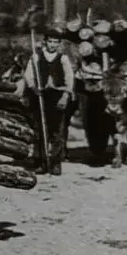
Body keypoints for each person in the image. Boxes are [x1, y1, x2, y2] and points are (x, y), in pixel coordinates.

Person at [15, 24, 75, 175]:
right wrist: (33, 87)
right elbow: (29, 75)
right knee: (40, 130)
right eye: (50, 41)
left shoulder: (63, 59)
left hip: (57, 95)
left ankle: (55, 162)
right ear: (45, 42)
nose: (53, 44)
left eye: (56, 42)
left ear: (59, 44)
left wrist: (66, 94)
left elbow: (69, 77)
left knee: (57, 131)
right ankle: (41, 161)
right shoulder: (36, 57)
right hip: (40, 96)